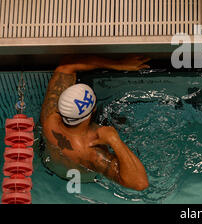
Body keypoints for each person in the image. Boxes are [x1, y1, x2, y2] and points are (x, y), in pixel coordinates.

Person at [40, 55, 150, 191]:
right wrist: (114, 139)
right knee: (121, 121)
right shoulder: (93, 153)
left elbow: (66, 66)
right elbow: (140, 184)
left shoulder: (49, 118)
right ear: (93, 111)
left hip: (51, 166)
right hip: (85, 179)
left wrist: (119, 63)